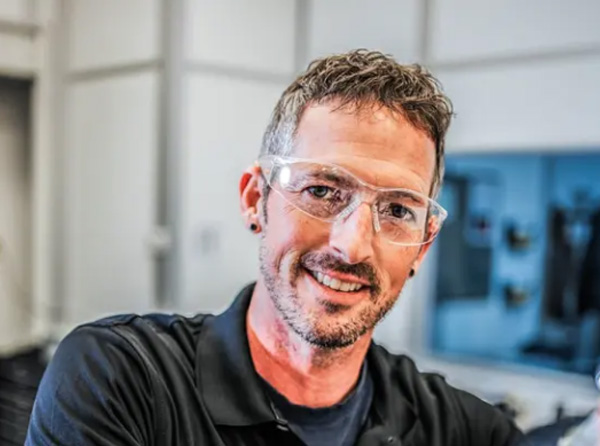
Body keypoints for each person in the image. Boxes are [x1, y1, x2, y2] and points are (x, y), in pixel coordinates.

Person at [26, 50, 524, 446]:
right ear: (255, 200)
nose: (352, 247)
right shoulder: (122, 381)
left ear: (423, 246)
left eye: (397, 209)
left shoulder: (467, 431)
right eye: (322, 191)